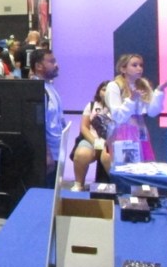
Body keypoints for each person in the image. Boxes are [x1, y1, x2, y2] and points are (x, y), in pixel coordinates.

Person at [105, 54, 167, 165]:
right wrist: (131, 99)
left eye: (141, 65)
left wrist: (159, 91)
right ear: (123, 69)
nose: (139, 68)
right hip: (122, 131)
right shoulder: (114, 86)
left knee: (144, 166)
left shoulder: (143, 85)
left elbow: (152, 112)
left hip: (140, 130)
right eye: (134, 65)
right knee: (125, 166)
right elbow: (118, 117)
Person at [71, 81, 113, 191]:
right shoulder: (91, 106)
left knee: (107, 156)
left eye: (109, 90)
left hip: (110, 143)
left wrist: (106, 144)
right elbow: (84, 127)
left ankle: (117, 186)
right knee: (81, 154)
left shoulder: (118, 107)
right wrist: (96, 142)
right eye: (103, 89)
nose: (106, 92)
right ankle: (79, 184)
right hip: (91, 140)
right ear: (99, 92)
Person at [29, 48, 64, 183]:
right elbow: (37, 126)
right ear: (39, 66)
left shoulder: (49, 87)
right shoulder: (37, 90)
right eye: (52, 62)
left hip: (56, 152)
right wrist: (46, 154)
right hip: (48, 155)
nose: (56, 65)